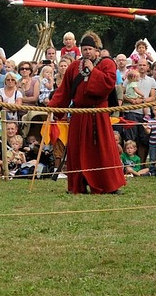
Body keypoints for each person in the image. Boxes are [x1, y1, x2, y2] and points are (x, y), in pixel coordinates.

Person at [49, 31, 127, 196]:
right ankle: (78, 185)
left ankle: (109, 185)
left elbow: (107, 85)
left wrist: (93, 71)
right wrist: (53, 107)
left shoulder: (107, 64)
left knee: (102, 150)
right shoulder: (73, 67)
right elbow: (64, 91)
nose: (87, 52)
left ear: (97, 49)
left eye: (90, 49)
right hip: (79, 114)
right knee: (77, 150)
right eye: (84, 49)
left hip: (98, 114)